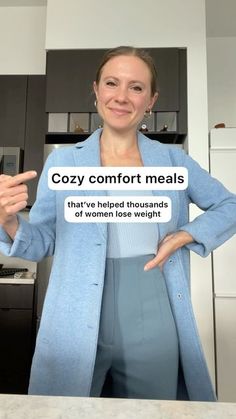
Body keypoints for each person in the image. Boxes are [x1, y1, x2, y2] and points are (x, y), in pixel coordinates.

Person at [0, 46, 236, 401]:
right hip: (74, 314)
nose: (122, 97)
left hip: (153, 313)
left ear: (151, 99)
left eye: (136, 87)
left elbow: (228, 205)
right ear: (96, 90)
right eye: (112, 83)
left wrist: (187, 234)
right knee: (66, 410)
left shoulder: (173, 161)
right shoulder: (64, 164)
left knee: (153, 411)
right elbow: (43, 240)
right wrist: (9, 222)